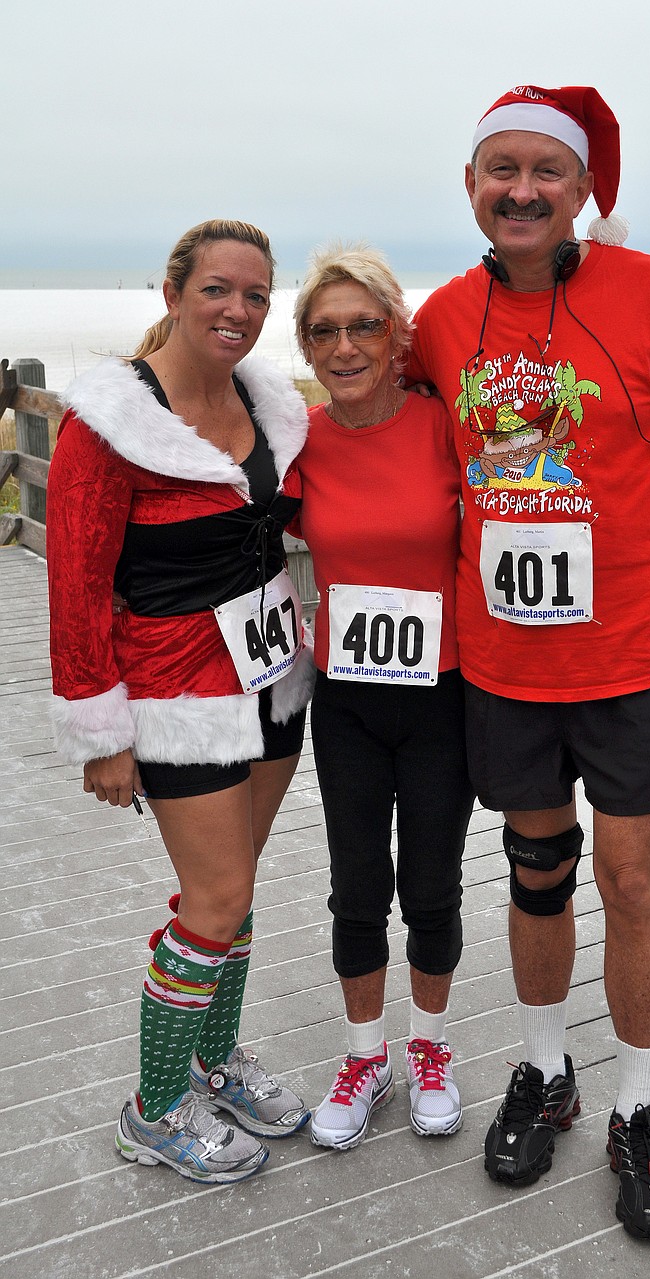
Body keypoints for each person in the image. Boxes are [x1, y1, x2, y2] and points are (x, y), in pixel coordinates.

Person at [407, 86, 650, 1237]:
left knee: (628, 880)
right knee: (533, 869)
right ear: (470, 184)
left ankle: (638, 1106)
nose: (520, 189)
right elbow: (397, 466)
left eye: (543, 172)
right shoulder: (437, 318)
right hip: (503, 662)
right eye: (497, 168)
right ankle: (545, 1069)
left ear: (581, 189)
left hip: (636, 652)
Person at [46, 219, 316, 1184]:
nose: (237, 310)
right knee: (215, 899)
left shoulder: (269, 403)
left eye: (255, 294)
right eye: (217, 290)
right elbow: (75, 583)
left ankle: (213, 1059)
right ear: (172, 294)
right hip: (172, 688)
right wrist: (102, 732)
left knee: (236, 891)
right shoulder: (108, 423)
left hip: (273, 676)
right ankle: (154, 1107)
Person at [285, 243, 475, 1150]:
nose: (347, 345)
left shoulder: (446, 424)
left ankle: (429, 1047)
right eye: (325, 330)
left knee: (433, 884)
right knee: (358, 887)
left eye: (366, 325)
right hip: (348, 699)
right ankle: (366, 1057)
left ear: (400, 335)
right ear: (307, 347)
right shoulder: (296, 440)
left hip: (444, 694)